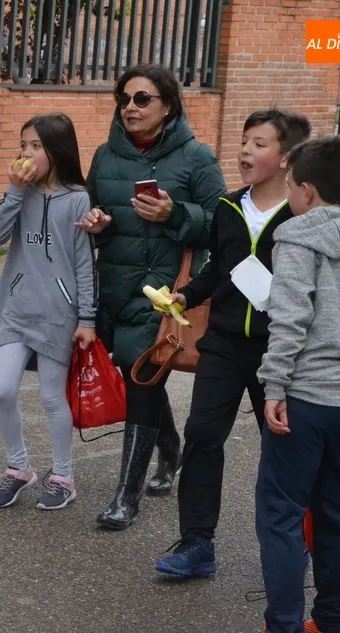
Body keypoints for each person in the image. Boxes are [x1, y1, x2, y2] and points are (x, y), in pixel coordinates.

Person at [155, 108, 312, 579]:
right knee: (202, 435)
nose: (245, 151)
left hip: (278, 350)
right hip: (223, 342)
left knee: (283, 446)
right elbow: (217, 269)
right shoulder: (228, 206)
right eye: (244, 141)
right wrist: (186, 295)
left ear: (286, 158)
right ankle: (197, 543)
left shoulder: (303, 214)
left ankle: (296, 542)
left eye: (259, 144)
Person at [76, 63, 226, 530]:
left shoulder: (197, 157)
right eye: (124, 99)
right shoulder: (106, 156)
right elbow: (95, 210)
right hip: (115, 286)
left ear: (168, 106)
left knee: (142, 376)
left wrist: (174, 213)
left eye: (142, 99)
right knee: (136, 372)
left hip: (165, 292)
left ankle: (127, 496)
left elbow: (221, 226)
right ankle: (169, 446)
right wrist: (98, 223)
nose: (130, 107)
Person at [255, 135, 340, 633]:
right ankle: (334, 620)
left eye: (289, 187)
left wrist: (273, 387)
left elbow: (290, 318)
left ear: (306, 191)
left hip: (306, 395)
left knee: (280, 514)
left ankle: (282, 624)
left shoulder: (296, 237)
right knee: (336, 507)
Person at [0, 113, 98, 512]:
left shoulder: (78, 198)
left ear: (57, 150)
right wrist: (15, 191)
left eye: (36, 146)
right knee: (1, 390)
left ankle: (63, 476)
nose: (27, 153)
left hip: (57, 315)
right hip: (14, 310)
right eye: (23, 145)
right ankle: (19, 468)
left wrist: (87, 319)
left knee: (52, 397)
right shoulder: (19, 192)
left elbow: (84, 263)